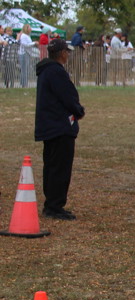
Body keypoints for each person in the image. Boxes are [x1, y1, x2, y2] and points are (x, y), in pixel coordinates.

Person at [35, 38, 85, 220]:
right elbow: (68, 96)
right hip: (59, 126)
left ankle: (52, 203)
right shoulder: (56, 72)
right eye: (67, 52)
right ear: (62, 53)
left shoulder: (45, 71)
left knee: (51, 166)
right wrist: (78, 110)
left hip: (49, 125)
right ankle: (54, 206)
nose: (68, 55)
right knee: (60, 168)